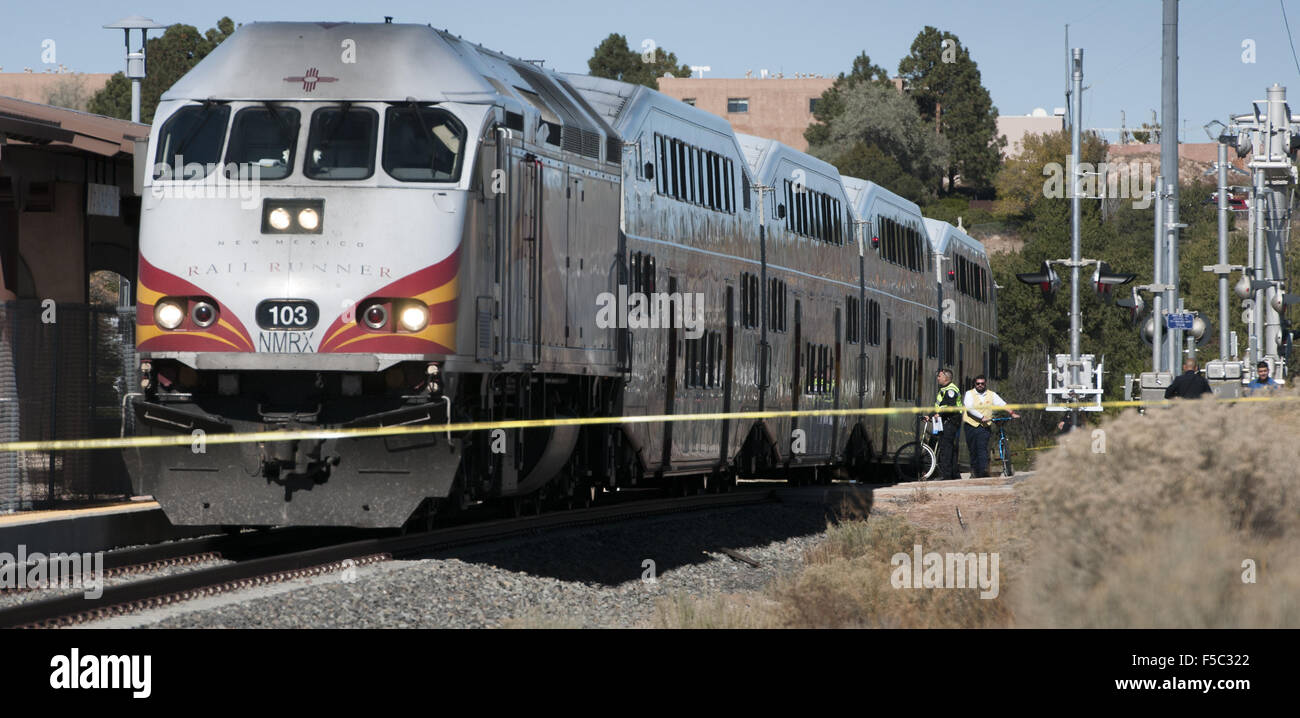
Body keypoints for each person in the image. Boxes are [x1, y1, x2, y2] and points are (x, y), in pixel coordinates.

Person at [963, 375, 1020, 478]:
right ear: (975, 384)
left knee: (982, 448)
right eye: (978, 383)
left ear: (985, 384)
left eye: (982, 383)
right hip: (971, 425)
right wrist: (981, 417)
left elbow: (1002, 404)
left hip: (984, 427)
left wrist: (1012, 413)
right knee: (973, 450)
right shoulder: (969, 394)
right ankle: (974, 471)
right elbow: (969, 408)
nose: (980, 385)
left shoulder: (991, 394)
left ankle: (983, 472)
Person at [930, 369, 963, 480]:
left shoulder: (950, 390)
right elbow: (940, 407)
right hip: (947, 421)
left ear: (946, 378)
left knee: (946, 449)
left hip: (950, 421)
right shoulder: (944, 389)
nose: (937, 378)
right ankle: (954, 474)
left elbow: (950, 406)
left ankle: (946, 475)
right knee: (950, 448)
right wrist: (930, 416)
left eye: (939, 376)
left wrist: (939, 414)